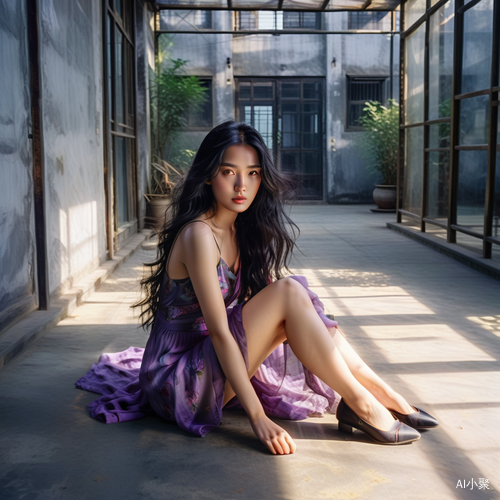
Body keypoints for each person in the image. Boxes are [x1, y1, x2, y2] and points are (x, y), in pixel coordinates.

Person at [76, 120, 438, 455]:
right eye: (228, 172)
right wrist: (257, 418)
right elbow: (220, 333)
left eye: (252, 174)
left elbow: (292, 315)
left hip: (211, 364)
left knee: (297, 302)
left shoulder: (242, 230)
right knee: (290, 291)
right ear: (207, 177)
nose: (241, 186)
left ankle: (381, 396)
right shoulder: (198, 235)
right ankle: (363, 404)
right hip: (177, 383)